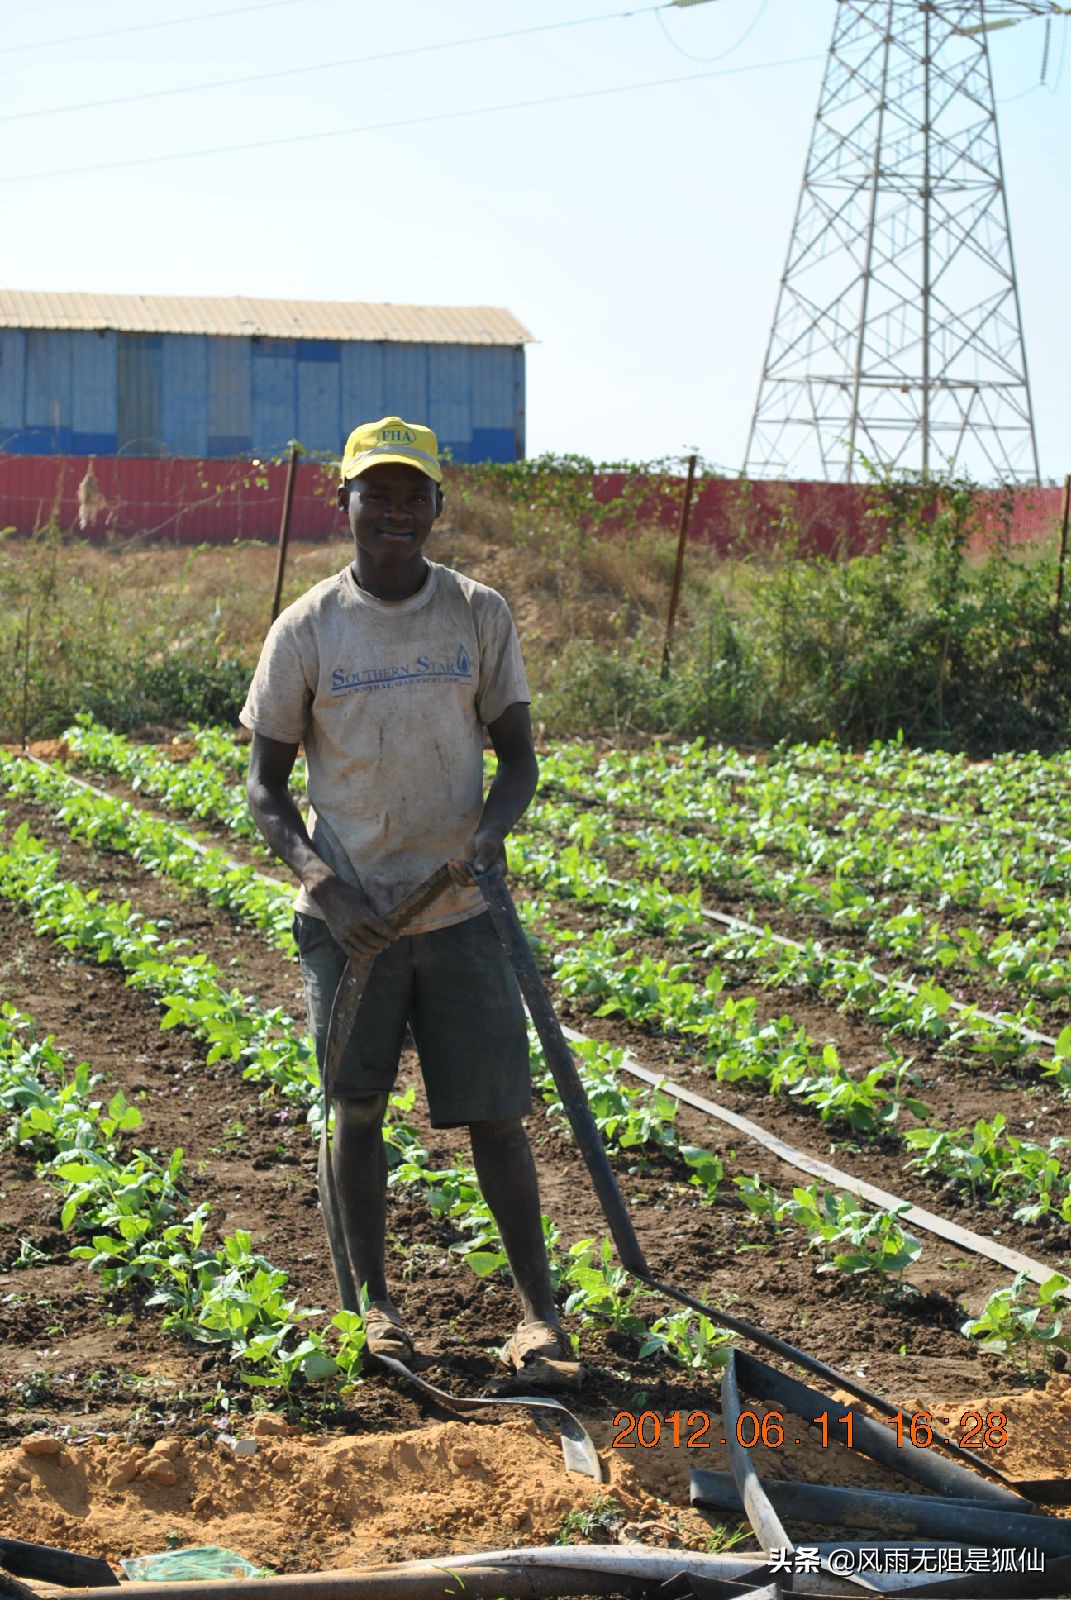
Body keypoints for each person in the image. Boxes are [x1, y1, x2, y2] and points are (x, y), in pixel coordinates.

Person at [241, 416, 577, 1387]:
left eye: (411, 495)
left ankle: (540, 1318)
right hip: (352, 925)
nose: (394, 511)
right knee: (355, 1111)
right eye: (375, 494)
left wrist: (488, 834)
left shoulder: (476, 613)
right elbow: (264, 787)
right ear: (343, 502)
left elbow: (518, 761)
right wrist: (322, 883)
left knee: (497, 1116)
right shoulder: (308, 627)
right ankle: (375, 1311)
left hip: (460, 914)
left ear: (437, 504)